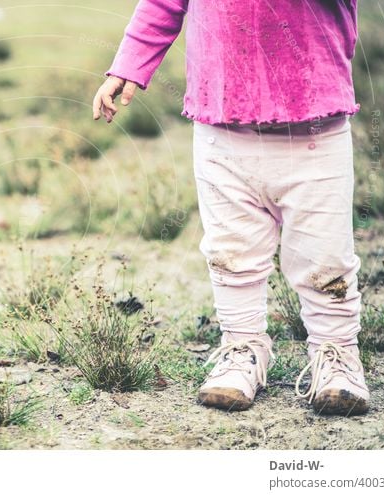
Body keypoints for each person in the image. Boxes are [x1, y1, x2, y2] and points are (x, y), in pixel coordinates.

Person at [92, 0, 368, 415]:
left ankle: (336, 355)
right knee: (230, 252)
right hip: (222, 122)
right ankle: (242, 347)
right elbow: (161, 3)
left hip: (315, 122)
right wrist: (127, 67)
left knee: (324, 256)